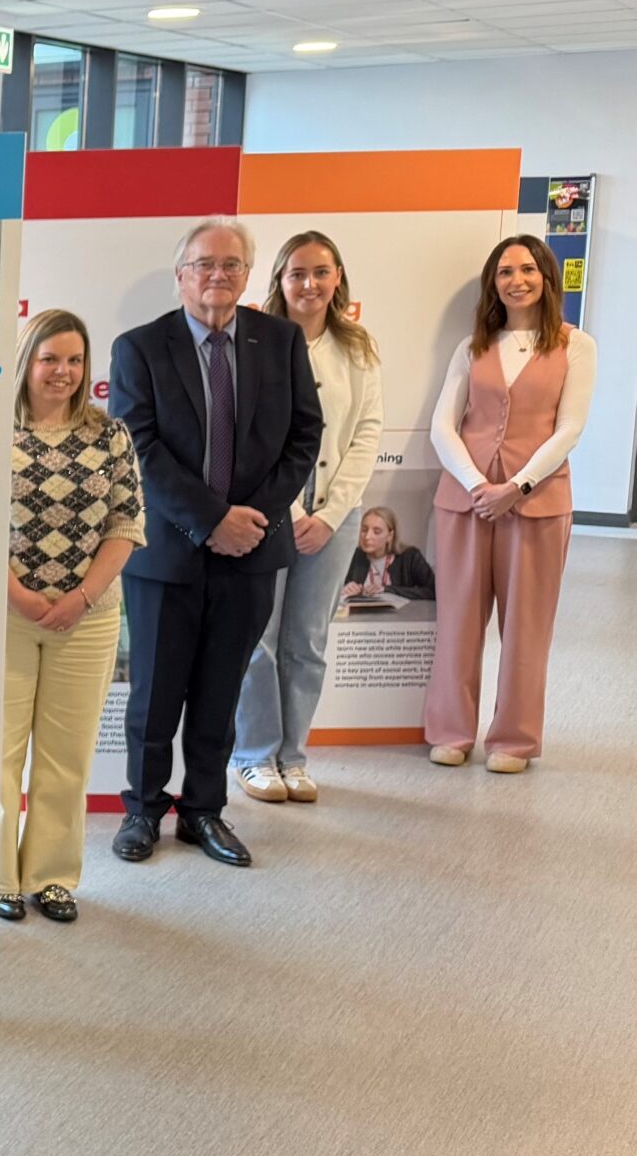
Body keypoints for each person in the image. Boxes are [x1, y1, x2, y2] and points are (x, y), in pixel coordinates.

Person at [108, 217, 323, 870]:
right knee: (155, 690)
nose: (217, 276)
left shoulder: (280, 341)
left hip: (252, 550)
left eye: (231, 264)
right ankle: (144, 808)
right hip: (165, 551)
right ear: (180, 276)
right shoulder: (139, 347)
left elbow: (304, 437)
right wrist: (209, 519)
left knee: (220, 687)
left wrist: (249, 517)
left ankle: (204, 809)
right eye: (204, 264)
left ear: (248, 275)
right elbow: (137, 447)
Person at [423, 233, 593, 773]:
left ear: (546, 276)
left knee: (526, 626)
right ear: (492, 284)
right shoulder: (472, 345)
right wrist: (478, 485)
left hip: (537, 504)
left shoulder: (575, 344)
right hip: (464, 502)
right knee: (457, 621)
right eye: (504, 272)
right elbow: (442, 427)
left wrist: (514, 487)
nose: (515, 280)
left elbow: (569, 428)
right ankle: (451, 730)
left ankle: (513, 740)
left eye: (526, 269)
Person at [229, 232, 385, 807]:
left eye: (321, 272)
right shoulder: (254, 342)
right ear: (280, 280)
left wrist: (333, 511)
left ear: (338, 277)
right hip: (270, 514)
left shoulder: (358, 347)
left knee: (308, 640)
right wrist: (290, 510)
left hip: (336, 519)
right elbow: (252, 435)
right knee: (260, 639)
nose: (310, 284)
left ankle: (293, 755)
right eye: (297, 273)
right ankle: (253, 756)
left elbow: (368, 433)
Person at [2, 310, 145, 924]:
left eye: (75, 360)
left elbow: (126, 523)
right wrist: (21, 597)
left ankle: (53, 876)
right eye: (50, 359)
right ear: (27, 363)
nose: (62, 372)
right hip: (8, 613)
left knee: (66, 755)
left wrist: (80, 597)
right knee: (1, 754)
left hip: (87, 618)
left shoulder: (110, 436)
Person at [342, 507, 436, 601]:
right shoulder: (353, 556)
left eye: (376, 532)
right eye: (364, 530)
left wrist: (387, 589)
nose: (367, 537)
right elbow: (333, 590)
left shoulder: (410, 557)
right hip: (360, 614)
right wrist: (344, 590)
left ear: (390, 536)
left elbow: (433, 591)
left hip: (402, 614)